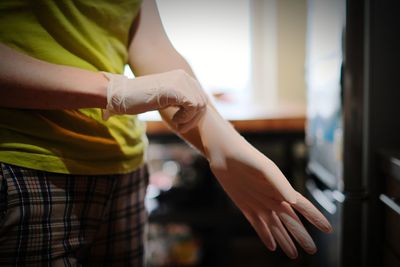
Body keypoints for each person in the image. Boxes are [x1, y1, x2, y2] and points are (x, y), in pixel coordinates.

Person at [0, 0, 332, 266]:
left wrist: (220, 141)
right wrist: (116, 89)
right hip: (27, 165)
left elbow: (153, 46)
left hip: (124, 168)